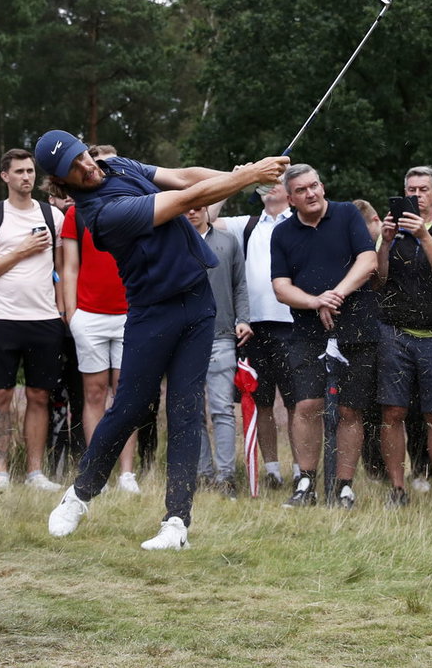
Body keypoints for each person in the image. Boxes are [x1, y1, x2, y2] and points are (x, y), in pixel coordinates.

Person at [41, 133, 288, 549]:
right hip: (151, 312)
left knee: (186, 410)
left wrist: (246, 176)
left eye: (82, 155)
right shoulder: (100, 214)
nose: (86, 166)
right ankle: (81, 494)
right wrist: (248, 176)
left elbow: (182, 175)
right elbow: (184, 198)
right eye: (74, 168)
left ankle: (177, 523)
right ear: (62, 182)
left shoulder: (118, 166)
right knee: (130, 408)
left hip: (198, 302)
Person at [269, 164, 380, 509]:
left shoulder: (347, 214)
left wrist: (336, 295)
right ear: (290, 198)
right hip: (306, 330)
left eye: (314, 186)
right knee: (306, 405)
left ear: (322, 185)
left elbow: (368, 260)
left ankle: (344, 485)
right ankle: (306, 482)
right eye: (301, 190)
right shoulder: (283, 233)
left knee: (350, 409)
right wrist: (315, 301)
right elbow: (281, 287)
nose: (311, 193)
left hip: (357, 323)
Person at [0, 148, 65, 491]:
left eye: (30, 171)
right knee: (0, 396)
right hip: (2, 318)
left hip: (44, 318)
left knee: (40, 395)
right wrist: (21, 250)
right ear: (5, 177)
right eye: (19, 171)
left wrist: (63, 309)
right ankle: (0, 472)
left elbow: (64, 268)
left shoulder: (53, 216)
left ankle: (35, 472)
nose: (26, 177)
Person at [373, 166, 432, 508]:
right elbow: (378, 281)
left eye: (423, 189)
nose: (417, 195)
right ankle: (397, 489)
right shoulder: (391, 233)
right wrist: (384, 242)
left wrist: (424, 237)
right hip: (395, 332)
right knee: (393, 413)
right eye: (411, 189)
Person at [60, 152, 141, 494]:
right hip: (89, 315)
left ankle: (126, 474)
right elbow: (69, 266)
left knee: (125, 396)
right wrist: (71, 313)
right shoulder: (76, 213)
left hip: (129, 313)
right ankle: (97, 472)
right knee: (93, 394)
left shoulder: (135, 203)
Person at [216, 183, 296, 490]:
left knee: (297, 404)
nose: (268, 185)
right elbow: (207, 218)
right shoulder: (246, 224)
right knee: (261, 402)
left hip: (293, 325)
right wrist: (234, 181)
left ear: (289, 189)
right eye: (263, 182)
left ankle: (302, 472)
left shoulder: (299, 219)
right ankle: (272, 470)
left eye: (276, 179)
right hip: (253, 328)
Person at [187, 203, 248, 496]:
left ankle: (226, 477)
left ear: (208, 210)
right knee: (192, 410)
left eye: (199, 207)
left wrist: (244, 318)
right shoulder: (173, 241)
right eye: (186, 207)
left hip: (221, 334)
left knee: (222, 409)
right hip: (183, 339)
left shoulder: (228, 242)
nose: (192, 212)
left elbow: (240, 284)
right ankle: (202, 473)